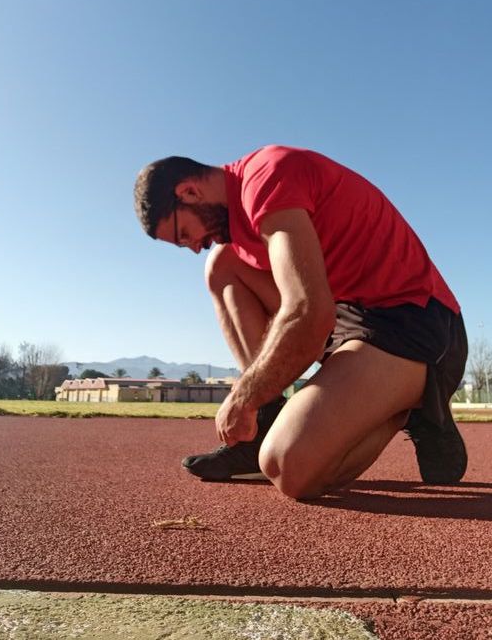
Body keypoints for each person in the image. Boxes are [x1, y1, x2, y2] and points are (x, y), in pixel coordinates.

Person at [133, 145, 467, 500]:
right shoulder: (238, 231)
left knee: (288, 467)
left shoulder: (267, 176)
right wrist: (258, 402)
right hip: (349, 318)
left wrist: (243, 397)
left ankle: (414, 404)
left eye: (184, 234)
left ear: (189, 191)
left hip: (413, 321)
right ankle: (263, 427)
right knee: (222, 266)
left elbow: (308, 312)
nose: (194, 246)